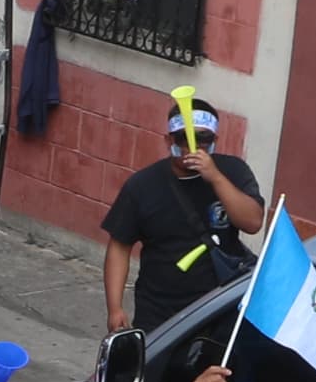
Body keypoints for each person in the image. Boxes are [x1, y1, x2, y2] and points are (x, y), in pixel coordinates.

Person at [96, 95, 269, 340]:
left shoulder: (233, 171)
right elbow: (120, 246)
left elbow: (252, 222)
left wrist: (215, 178)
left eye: (203, 138)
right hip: (160, 309)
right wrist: (114, 308)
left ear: (214, 141)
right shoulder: (142, 185)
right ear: (169, 141)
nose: (193, 145)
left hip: (219, 304)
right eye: (183, 138)